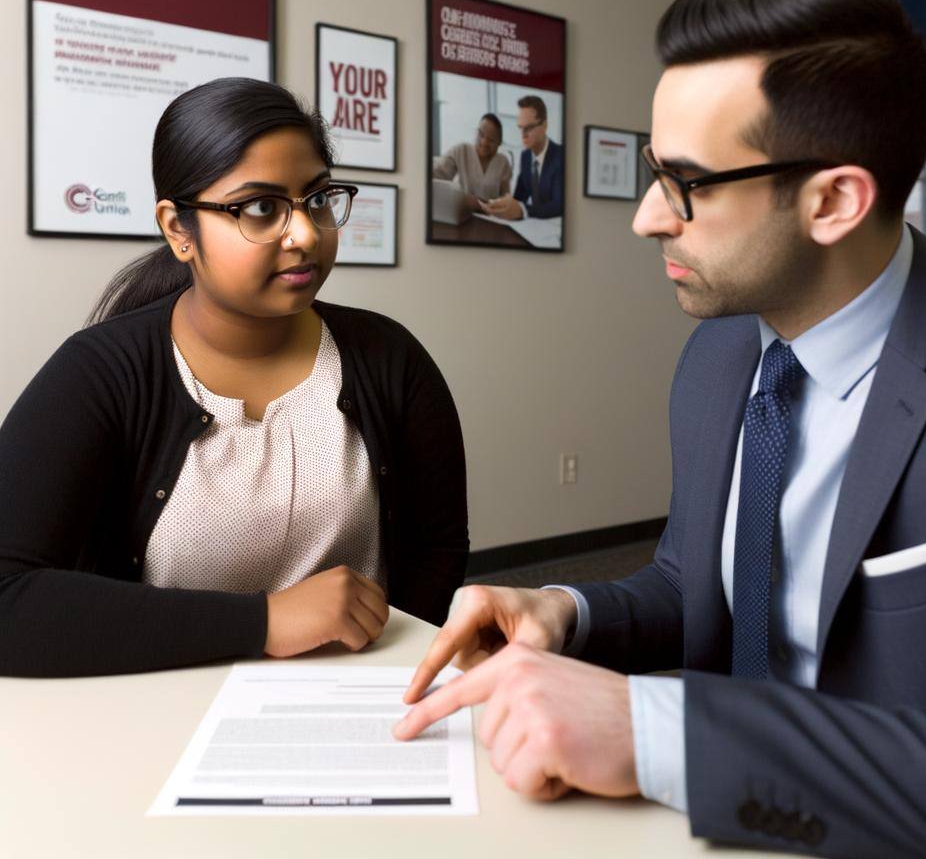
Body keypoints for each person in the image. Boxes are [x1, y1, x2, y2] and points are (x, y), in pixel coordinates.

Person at [395, 0, 926, 858]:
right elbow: (700, 586)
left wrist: (656, 734)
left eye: (686, 182)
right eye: (658, 173)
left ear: (835, 201)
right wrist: (562, 612)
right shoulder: (723, 353)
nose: (647, 218)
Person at [0, 77, 468, 678]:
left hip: (354, 700)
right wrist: (266, 623)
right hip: (156, 701)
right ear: (178, 230)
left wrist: (380, 675)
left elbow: (438, 553)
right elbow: (9, 596)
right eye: (260, 208)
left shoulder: (390, 360)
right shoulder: (101, 373)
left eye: (318, 199)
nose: (304, 234)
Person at [482, 95, 563, 220]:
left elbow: (559, 205)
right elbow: (519, 198)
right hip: (535, 229)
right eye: (521, 128)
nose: (523, 135)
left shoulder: (561, 155)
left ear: (544, 125)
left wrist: (522, 210)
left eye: (529, 128)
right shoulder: (525, 156)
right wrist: (502, 205)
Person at [432, 113, 511, 210]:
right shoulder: (461, 150)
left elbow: (506, 200)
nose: (484, 142)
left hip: (491, 217)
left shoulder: (503, 162)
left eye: (491, 140)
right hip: (462, 213)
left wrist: (490, 205)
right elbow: (439, 172)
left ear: (499, 143)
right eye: (481, 134)